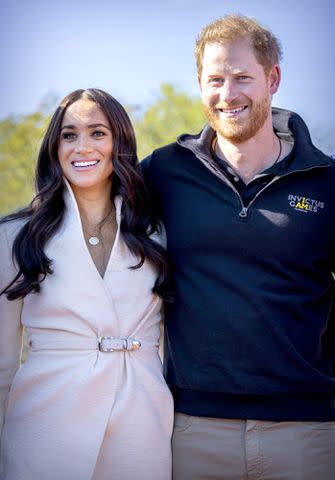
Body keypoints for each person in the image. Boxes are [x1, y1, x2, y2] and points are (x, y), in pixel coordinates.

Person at [141, 14, 335, 480]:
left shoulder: (328, 183)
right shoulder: (163, 172)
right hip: (193, 428)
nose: (228, 94)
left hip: (307, 430)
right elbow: (92, 211)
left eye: (242, 77)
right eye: (215, 79)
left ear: (272, 79)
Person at [0, 88, 173, 480]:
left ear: (119, 144)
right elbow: (2, 363)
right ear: (54, 147)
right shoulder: (15, 238)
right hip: (43, 427)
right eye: (69, 134)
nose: (82, 146)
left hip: (140, 427)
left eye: (98, 132)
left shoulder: (157, 234)